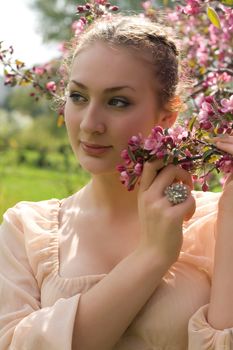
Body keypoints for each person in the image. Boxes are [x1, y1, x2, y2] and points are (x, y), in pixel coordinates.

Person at [0, 13, 233, 350]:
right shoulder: (26, 230)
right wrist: (153, 254)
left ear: (167, 116)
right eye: (78, 97)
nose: (90, 123)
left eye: (117, 102)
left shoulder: (213, 223)